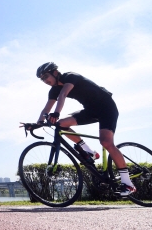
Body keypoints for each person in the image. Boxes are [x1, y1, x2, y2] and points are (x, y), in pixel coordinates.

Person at [30, 62, 136, 196]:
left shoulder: (70, 77)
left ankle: (128, 184)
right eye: (42, 79)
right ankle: (89, 152)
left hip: (106, 107)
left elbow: (63, 95)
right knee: (61, 124)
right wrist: (37, 123)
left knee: (106, 142)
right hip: (90, 111)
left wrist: (56, 113)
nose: (45, 81)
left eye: (46, 76)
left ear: (55, 72)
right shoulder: (53, 90)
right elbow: (46, 108)